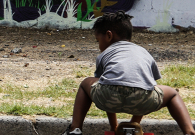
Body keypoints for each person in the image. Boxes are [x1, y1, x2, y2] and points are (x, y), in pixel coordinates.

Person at [62, 11, 195, 135]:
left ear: (108, 35)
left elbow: (107, 83)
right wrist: (134, 123)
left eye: (98, 40)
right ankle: (189, 132)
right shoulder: (144, 52)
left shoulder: (104, 54)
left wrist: (113, 127)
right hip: (144, 100)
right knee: (172, 94)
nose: (99, 45)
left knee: (86, 83)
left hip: (107, 96)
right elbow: (147, 85)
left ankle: (75, 129)